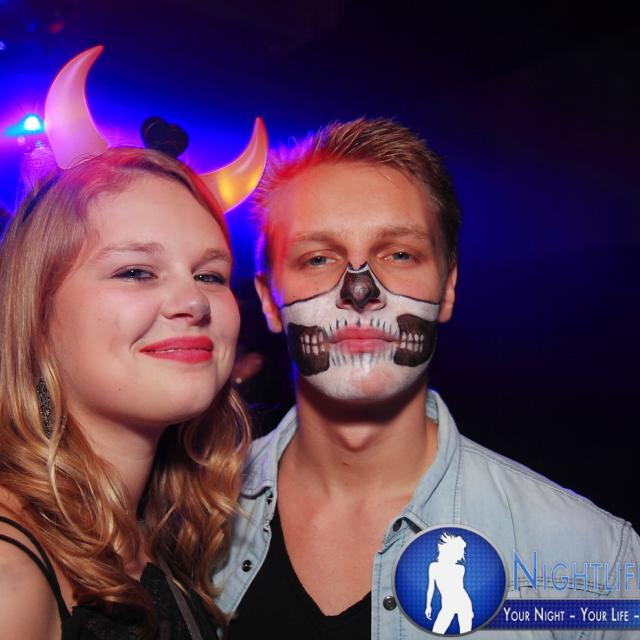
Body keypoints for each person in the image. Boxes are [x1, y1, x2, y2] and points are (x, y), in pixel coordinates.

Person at [213, 118, 640, 639]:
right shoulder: (187, 520)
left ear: (448, 287)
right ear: (267, 300)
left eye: (400, 254)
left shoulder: (590, 562)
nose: (360, 291)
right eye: (318, 258)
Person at [0, 47, 267, 640]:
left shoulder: (160, 538)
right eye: (136, 271)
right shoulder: (10, 576)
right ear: (36, 313)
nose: (193, 301)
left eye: (210, 275)